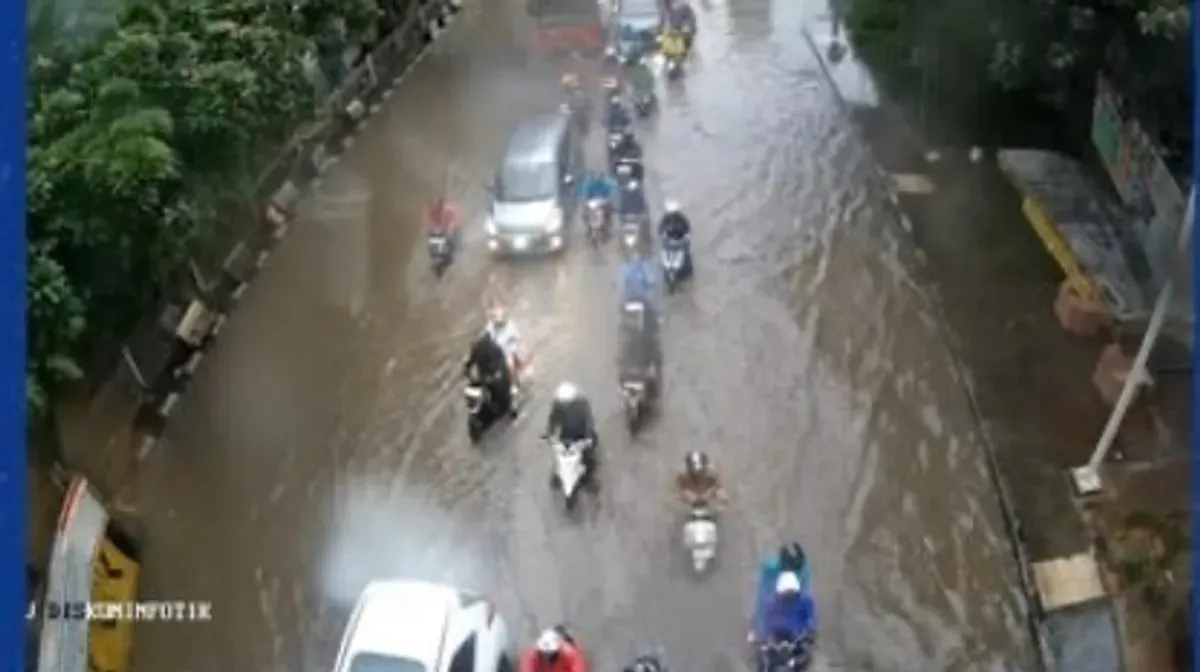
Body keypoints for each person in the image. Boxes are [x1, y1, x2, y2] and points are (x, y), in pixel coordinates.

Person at [544, 382, 598, 470]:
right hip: (566, 435)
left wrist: (588, 437)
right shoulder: (557, 406)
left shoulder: (583, 404)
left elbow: (589, 420)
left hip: (582, 434)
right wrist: (549, 434)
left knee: (590, 458)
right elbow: (552, 420)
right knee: (560, 456)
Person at [463, 330, 516, 418]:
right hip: (496, 377)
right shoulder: (495, 347)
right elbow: (503, 363)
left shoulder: (475, 349)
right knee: (506, 392)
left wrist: (467, 373)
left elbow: (468, 364)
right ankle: (511, 407)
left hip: (486, 378)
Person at [761, 572, 817, 645]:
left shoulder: (805, 602)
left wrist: (808, 633)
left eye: (791, 592)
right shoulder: (772, 603)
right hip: (776, 642)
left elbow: (811, 620)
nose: (788, 595)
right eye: (786, 592)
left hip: (799, 642)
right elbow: (766, 623)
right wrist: (766, 637)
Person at [486, 305, 524, 388]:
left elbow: (517, 338)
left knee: (511, 365)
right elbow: (488, 340)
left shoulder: (510, 326)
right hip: (496, 353)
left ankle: (514, 382)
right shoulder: (490, 328)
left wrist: (514, 350)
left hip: (508, 351)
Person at [520, 627, 588, 672]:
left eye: (551, 653)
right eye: (545, 653)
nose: (548, 655)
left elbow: (578, 669)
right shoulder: (531, 656)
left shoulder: (570, 654)